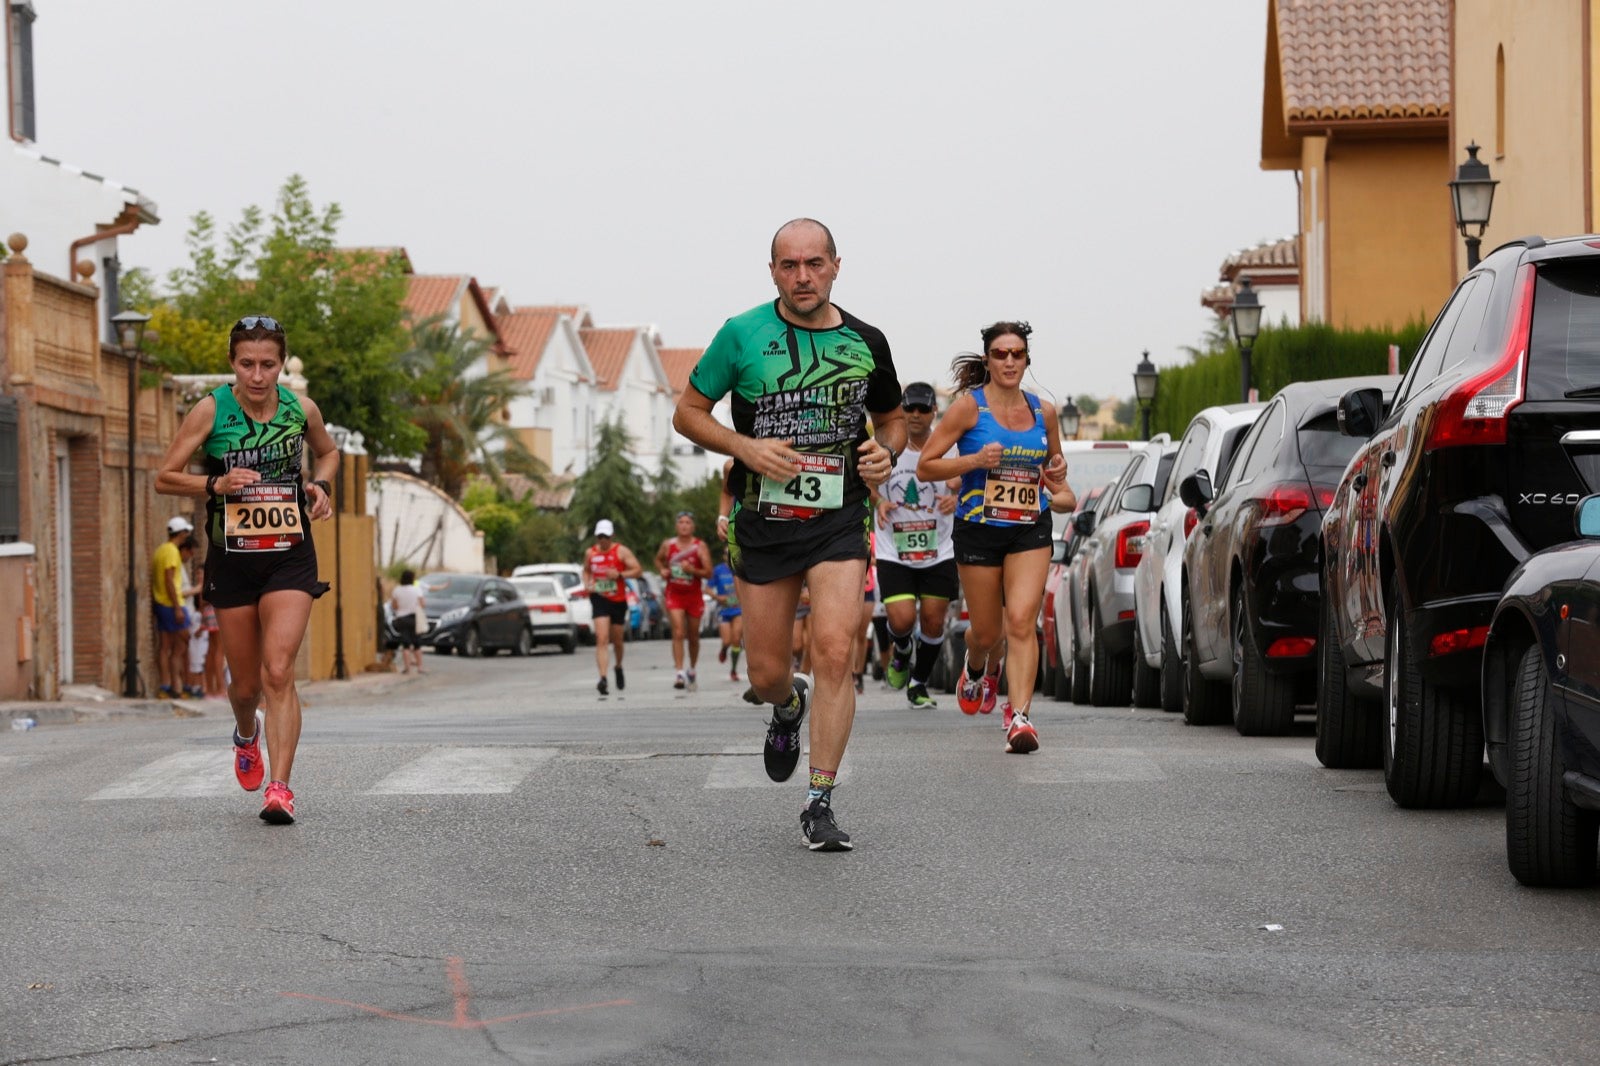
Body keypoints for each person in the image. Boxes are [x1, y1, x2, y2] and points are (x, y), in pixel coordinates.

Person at [672, 217, 905, 852]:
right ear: (773, 271)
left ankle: (820, 800)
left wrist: (885, 453)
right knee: (769, 670)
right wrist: (745, 446)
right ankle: (785, 708)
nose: (803, 276)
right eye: (789, 265)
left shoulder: (867, 341)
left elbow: (890, 422)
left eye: (814, 263)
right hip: (765, 525)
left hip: (839, 518)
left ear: (835, 266)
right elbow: (687, 413)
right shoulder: (741, 333)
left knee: (834, 652)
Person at [155, 314, 338, 825]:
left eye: (268, 364)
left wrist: (322, 487)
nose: (257, 375)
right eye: (247, 364)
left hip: (289, 553)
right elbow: (164, 477)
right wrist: (215, 485)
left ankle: (280, 788)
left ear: (281, 363)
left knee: (278, 671)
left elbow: (328, 453)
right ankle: (244, 732)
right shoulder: (211, 409)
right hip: (231, 559)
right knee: (245, 686)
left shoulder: (301, 409)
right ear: (232, 363)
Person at [918, 321, 1073, 754]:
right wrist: (973, 461)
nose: (1009, 361)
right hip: (979, 530)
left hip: (1030, 528)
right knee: (986, 633)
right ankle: (976, 665)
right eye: (1000, 353)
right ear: (987, 359)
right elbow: (926, 466)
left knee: (1022, 622)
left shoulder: (1045, 412)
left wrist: (1057, 479)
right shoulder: (970, 408)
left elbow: (1059, 481)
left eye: (1017, 354)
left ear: (1027, 360)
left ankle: (1020, 716)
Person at [873, 381, 962, 708]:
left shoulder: (949, 447)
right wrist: (878, 502)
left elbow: (966, 482)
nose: (915, 415)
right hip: (893, 548)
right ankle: (902, 650)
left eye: (923, 409)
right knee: (901, 620)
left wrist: (958, 497)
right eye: (909, 408)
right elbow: (864, 481)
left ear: (933, 412)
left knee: (935, 621)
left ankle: (919, 682)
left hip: (939, 549)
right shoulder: (886, 444)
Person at [584, 519, 643, 696]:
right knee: (602, 638)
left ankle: (618, 666)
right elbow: (586, 570)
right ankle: (602, 678)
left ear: (612, 536)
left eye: (606, 536)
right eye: (600, 536)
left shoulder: (621, 551)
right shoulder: (590, 553)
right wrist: (587, 584)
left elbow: (638, 570)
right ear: (596, 536)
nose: (603, 540)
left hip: (617, 600)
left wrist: (619, 574)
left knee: (617, 640)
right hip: (599, 598)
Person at [655, 511, 712, 690]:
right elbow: (658, 560)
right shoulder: (668, 545)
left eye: (688, 522)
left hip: (693, 596)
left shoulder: (699, 547)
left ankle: (692, 669)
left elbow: (708, 572)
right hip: (674, 595)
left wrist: (692, 570)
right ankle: (679, 672)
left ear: (693, 526)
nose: (684, 525)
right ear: (676, 526)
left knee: (693, 636)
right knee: (678, 632)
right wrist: (663, 570)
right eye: (681, 522)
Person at [150, 516, 195, 699]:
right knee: (184, 640)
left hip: (161, 603)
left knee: (166, 646)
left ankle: (167, 686)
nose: (187, 535)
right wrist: (177, 607)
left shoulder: (161, 550)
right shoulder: (171, 551)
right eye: (186, 532)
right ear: (181, 533)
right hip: (171, 604)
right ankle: (176, 685)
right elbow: (169, 580)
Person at [708, 546, 744, 682]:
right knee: (727, 640)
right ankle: (724, 649)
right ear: (723, 556)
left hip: (738, 609)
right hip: (723, 610)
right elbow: (707, 588)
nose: (728, 556)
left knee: (736, 639)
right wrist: (718, 597)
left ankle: (733, 670)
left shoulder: (741, 569)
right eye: (725, 553)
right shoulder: (718, 570)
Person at [390, 569, 426, 675]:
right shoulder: (417, 590)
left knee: (405, 645)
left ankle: (407, 668)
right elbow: (423, 604)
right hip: (413, 618)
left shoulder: (397, 590)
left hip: (401, 618)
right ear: (412, 578)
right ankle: (420, 667)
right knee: (417, 644)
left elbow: (394, 606)